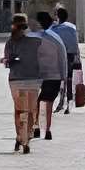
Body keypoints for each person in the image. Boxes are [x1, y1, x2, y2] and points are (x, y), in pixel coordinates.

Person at [3, 13, 42, 154]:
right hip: (34, 79)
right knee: (31, 109)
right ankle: (28, 137)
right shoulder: (36, 39)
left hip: (16, 80)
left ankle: (20, 136)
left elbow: (7, 62)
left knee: (19, 110)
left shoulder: (11, 41)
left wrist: (8, 61)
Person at [32, 11, 67, 141]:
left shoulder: (32, 37)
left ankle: (36, 126)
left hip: (36, 75)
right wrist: (63, 76)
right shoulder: (56, 38)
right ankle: (47, 130)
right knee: (49, 103)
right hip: (54, 75)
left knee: (36, 102)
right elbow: (62, 58)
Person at [51, 6, 81, 115]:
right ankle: (68, 102)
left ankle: (61, 102)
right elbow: (75, 44)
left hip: (60, 57)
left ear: (57, 17)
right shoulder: (72, 27)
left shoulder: (54, 29)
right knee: (69, 79)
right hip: (72, 56)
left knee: (59, 80)